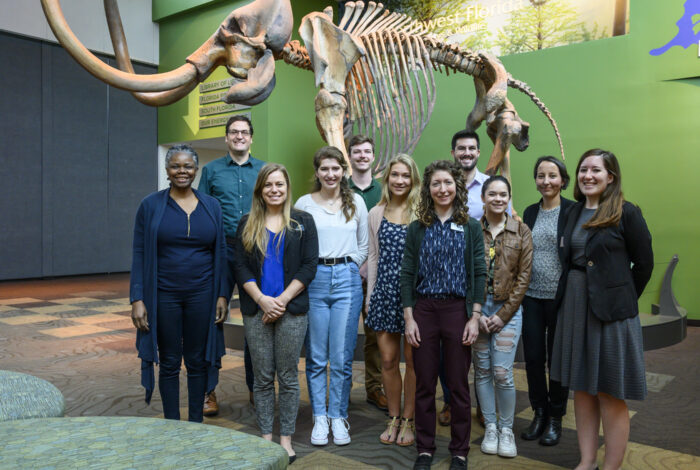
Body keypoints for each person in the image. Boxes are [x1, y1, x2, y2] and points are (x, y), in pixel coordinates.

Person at [551, 149, 653, 470]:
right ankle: (586, 460)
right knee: (581, 388)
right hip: (575, 306)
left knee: (610, 391)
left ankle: (611, 466)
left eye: (596, 170)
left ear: (611, 176)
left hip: (612, 314)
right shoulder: (572, 212)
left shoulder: (626, 212)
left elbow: (645, 264)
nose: (588, 176)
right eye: (583, 170)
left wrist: (621, 300)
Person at [130, 144, 228, 423]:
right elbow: (138, 251)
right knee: (170, 362)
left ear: (196, 170)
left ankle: (195, 421)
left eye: (188, 166)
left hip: (203, 294)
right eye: (176, 166)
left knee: (198, 361)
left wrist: (222, 294)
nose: (182, 171)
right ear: (167, 170)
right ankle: (173, 424)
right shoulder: (150, 205)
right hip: (163, 294)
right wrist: (137, 298)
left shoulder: (212, 205)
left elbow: (220, 251)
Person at [400, 160, 486, 470]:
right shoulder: (417, 227)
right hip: (423, 310)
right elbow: (407, 273)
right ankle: (425, 448)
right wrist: (409, 318)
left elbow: (479, 271)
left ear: (457, 187)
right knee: (424, 382)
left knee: (458, 384)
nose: (442, 189)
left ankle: (459, 451)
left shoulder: (471, 226)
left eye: (448, 183)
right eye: (436, 184)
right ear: (428, 189)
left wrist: (474, 316)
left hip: (457, 310)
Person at [233, 163, 318, 464]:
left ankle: (286, 439)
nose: (274, 190)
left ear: (287, 187)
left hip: (291, 310)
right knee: (263, 376)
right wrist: (262, 301)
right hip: (256, 311)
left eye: (280, 184)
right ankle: (266, 435)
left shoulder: (303, 221)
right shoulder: (247, 222)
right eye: (268, 185)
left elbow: (309, 266)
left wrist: (279, 300)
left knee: (288, 377)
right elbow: (240, 266)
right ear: (260, 189)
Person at [295, 146, 368, 446]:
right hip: (315, 280)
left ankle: (338, 416)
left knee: (341, 356)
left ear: (343, 170)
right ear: (317, 172)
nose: (330, 174)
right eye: (324, 168)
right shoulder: (303, 204)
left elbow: (364, 245)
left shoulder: (357, 203)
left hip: (347, 281)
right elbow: (296, 246)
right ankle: (320, 417)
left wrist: (350, 265)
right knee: (316, 357)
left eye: (335, 168)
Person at [198, 115, 264, 414]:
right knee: (213, 319)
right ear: (226, 138)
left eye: (244, 132)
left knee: (257, 320)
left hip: (256, 250)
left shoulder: (264, 170)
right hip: (221, 250)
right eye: (233, 132)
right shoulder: (211, 171)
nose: (239, 136)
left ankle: (256, 387)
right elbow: (202, 213)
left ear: (251, 138)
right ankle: (208, 390)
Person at [474, 176, 532, 459]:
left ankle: (506, 429)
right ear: (483, 198)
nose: (498, 199)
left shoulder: (521, 230)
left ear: (509, 198)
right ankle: (491, 427)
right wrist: (475, 313)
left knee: (502, 373)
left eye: (503, 194)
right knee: (483, 371)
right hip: (477, 311)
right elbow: (466, 273)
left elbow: (524, 277)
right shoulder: (472, 230)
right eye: (492, 194)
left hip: (508, 311)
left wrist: (503, 314)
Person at [365, 154, 421, 446]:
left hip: (414, 297)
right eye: (395, 175)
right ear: (387, 179)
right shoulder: (376, 212)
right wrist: (371, 296)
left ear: (413, 180)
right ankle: (394, 417)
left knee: (412, 362)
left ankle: (409, 420)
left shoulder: (422, 211)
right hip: (384, 294)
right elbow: (373, 257)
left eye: (406, 176)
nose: (400, 181)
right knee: (388, 360)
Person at [521, 156, 574, 446]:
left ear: (563, 180)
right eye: (541, 176)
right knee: (532, 359)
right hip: (531, 297)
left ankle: (555, 417)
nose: (546, 181)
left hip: (561, 297)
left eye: (552, 175)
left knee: (557, 360)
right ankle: (538, 412)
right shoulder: (529, 212)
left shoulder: (573, 212)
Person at [347, 134, 387, 412]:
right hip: (347, 274)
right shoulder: (339, 189)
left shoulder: (385, 191)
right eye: (357, 152)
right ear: (349, 156)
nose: (362, 156)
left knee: (375, 336)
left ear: (373, 156)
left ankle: (375, 388)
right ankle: (342, 388)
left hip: (378, 275)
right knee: (345, 334)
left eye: (367, 151)